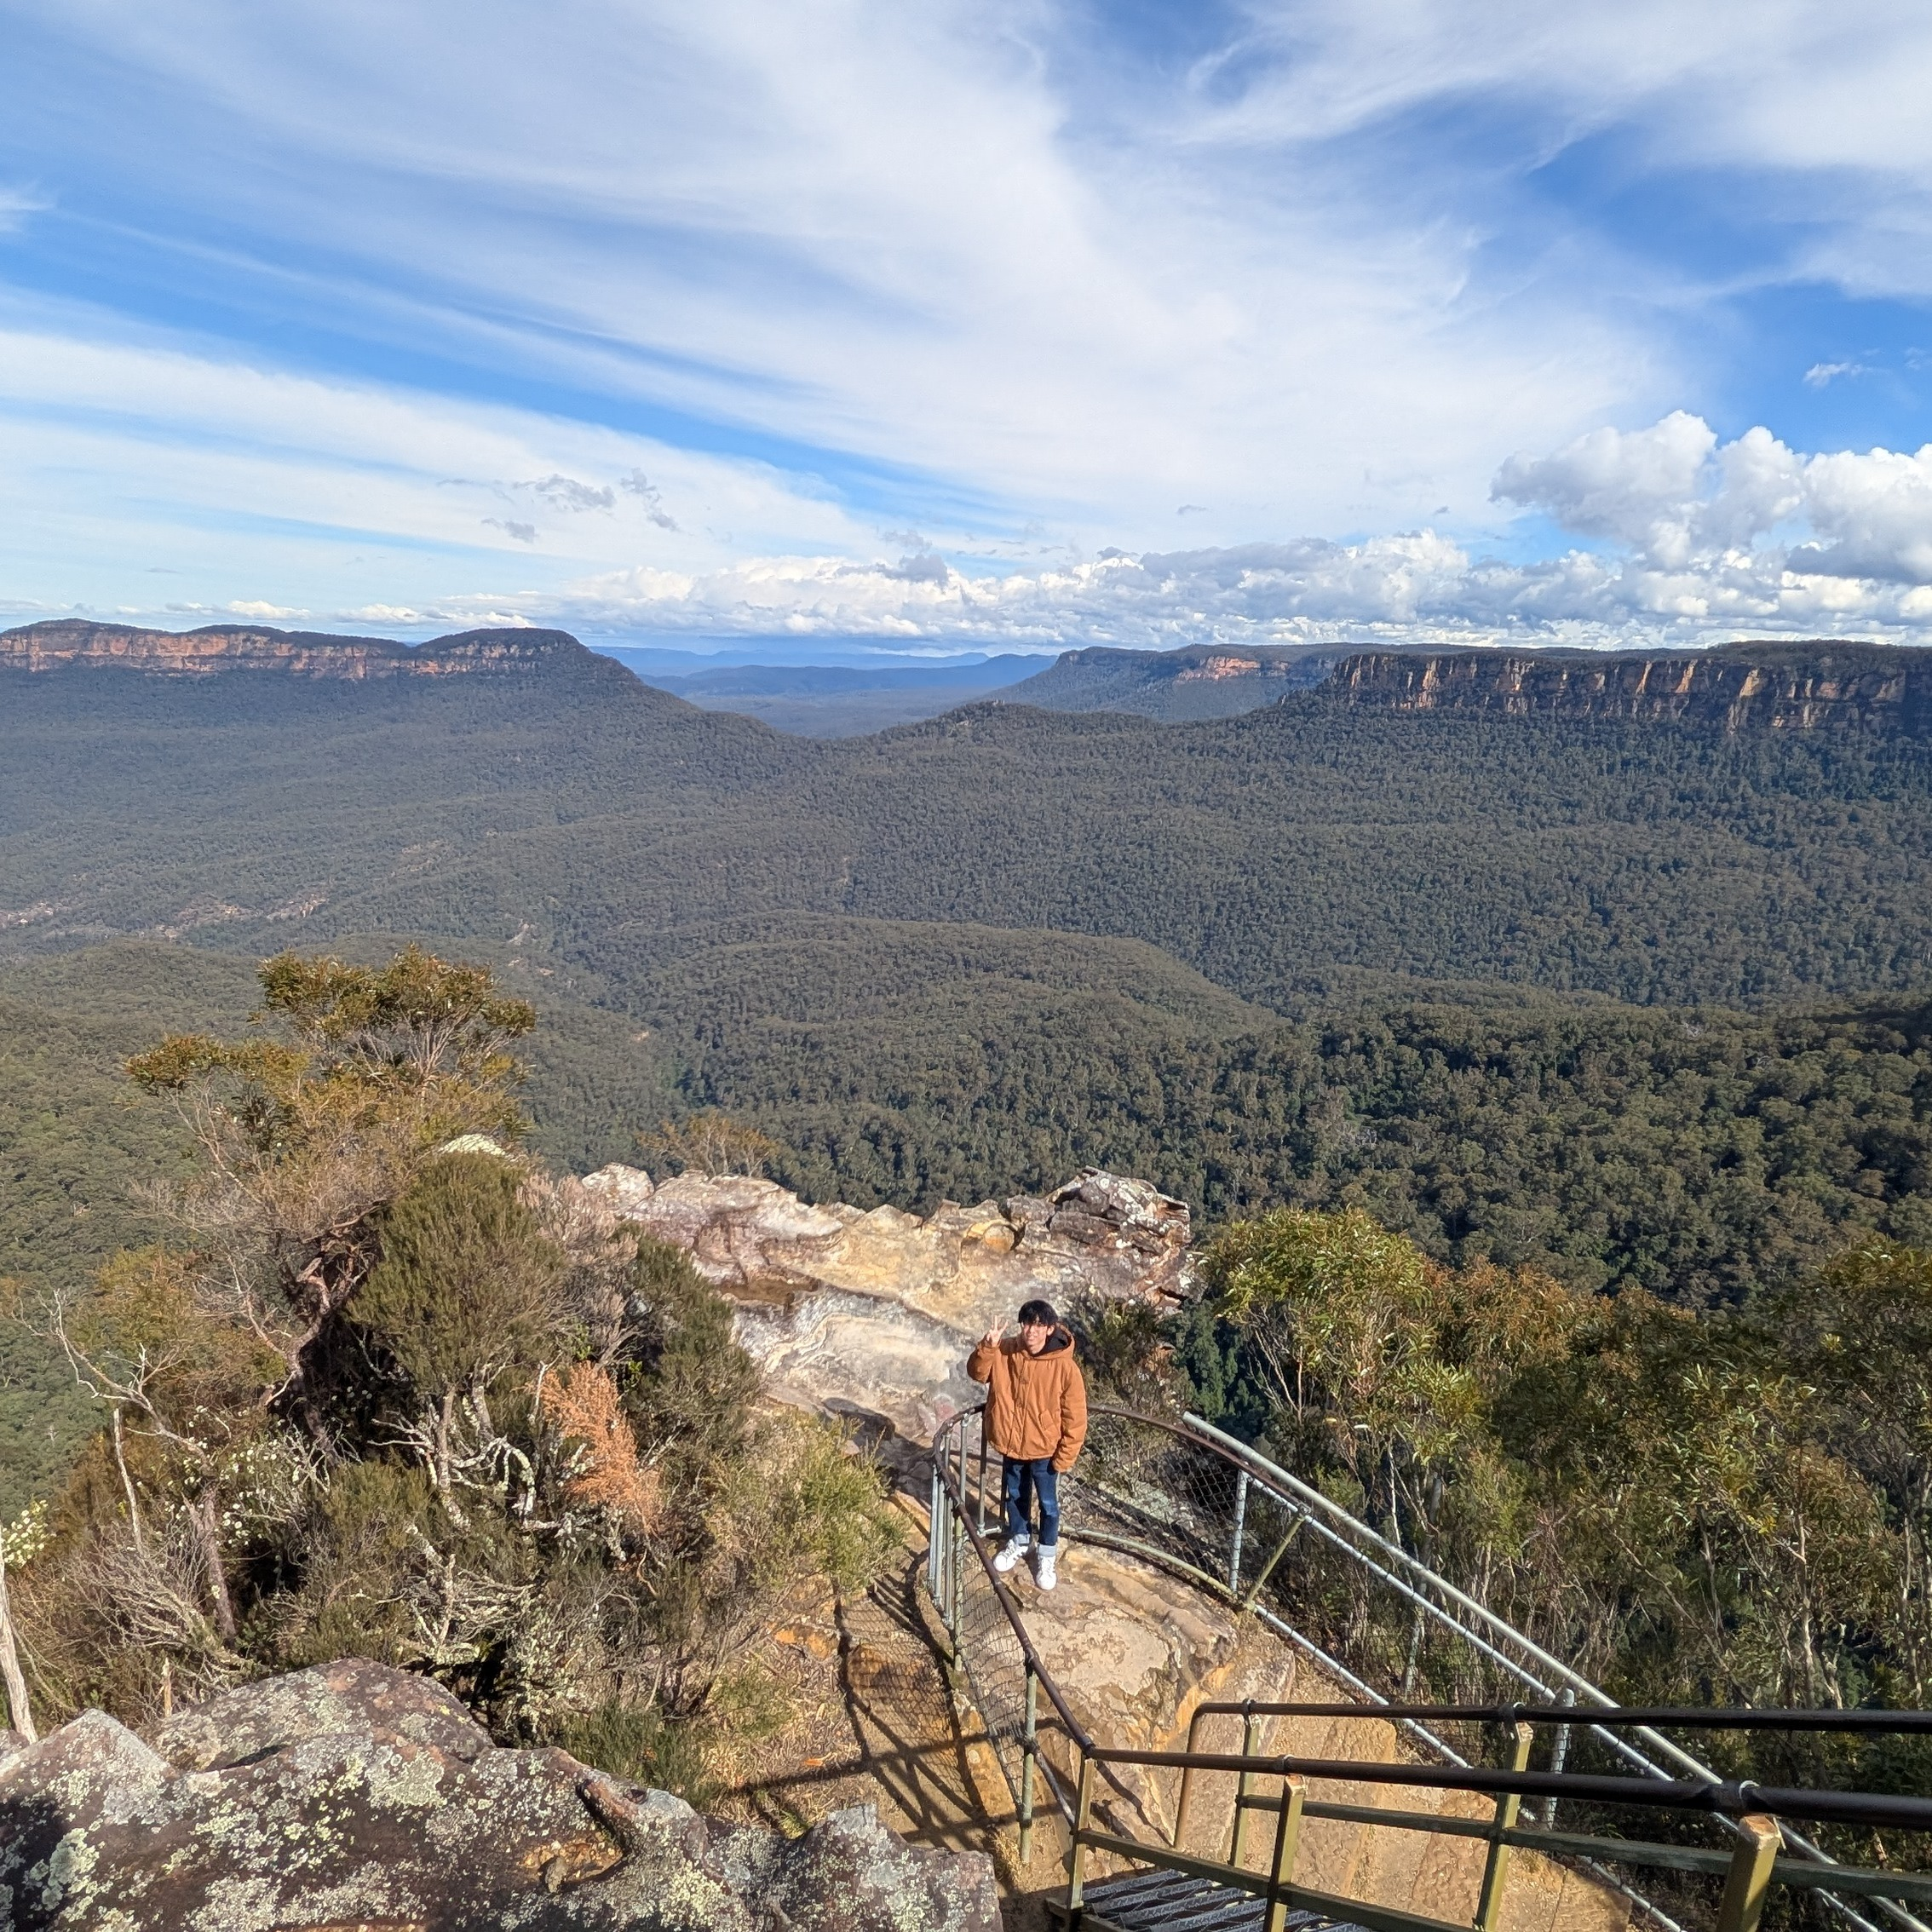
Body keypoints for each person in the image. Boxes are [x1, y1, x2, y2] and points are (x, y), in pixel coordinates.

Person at [965, 1298, 1087, 1591]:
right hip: (1012, 1443)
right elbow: (977, 1373)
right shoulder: (1006, 1350)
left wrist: (1066, 1455)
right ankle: (1019, 1540)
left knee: (1048, 1505)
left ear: (1049, 1329)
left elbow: (1076, 1415)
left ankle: (1046, 1554)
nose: (1030, 1331)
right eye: (1027, 1323)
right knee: (1015, 1496)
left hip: (1045, 1449)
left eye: (1038, 1325)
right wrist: (988, 1346)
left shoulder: (1065, 1367)